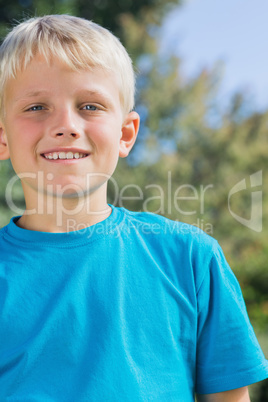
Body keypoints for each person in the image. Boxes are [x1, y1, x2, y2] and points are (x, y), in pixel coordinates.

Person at [0, 14, 267, 402]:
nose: (66, 125)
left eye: (90, 105)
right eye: (37, 107)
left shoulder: (191, 259)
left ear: (126, 135)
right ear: (2, 137)